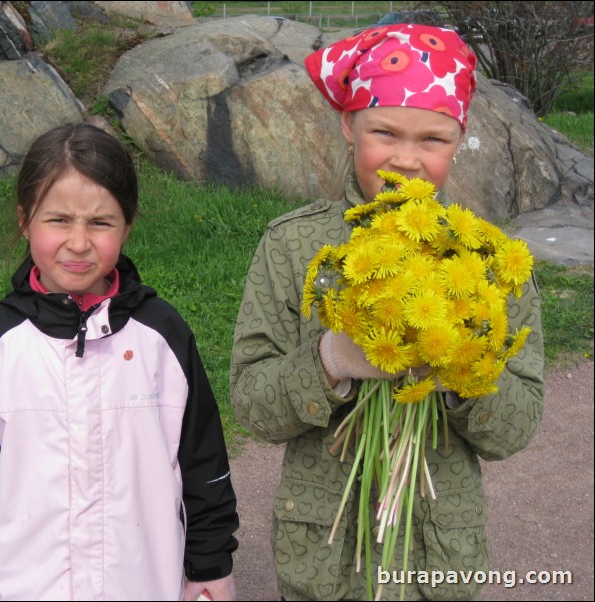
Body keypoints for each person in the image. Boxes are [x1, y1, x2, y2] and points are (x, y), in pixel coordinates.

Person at [230, 25, 544, 601]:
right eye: (384, 132)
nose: (407, 159)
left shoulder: (489, 261)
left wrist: (460, 373)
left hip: (436, 558)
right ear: (348, 127)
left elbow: (517, 427)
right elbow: (252, 405)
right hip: (322, 560)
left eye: (433, 139)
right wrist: (330, 359)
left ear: (460, 137)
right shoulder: (292, 247)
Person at [0, 123, 239, 601]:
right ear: (24, 220)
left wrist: (210, 567)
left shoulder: (161, 336)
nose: (78, 242)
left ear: (127, 226)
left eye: (100, 222)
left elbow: (203, 464)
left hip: (146, 587)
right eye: (58, 220)